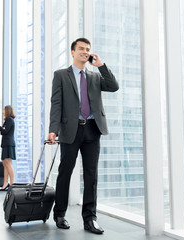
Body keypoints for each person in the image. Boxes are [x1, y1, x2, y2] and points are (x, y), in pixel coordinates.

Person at [47, 38, 119, 234]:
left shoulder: (95, 77)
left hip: (93, 129)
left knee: (91, 175)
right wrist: (53, 129)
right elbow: (56, 104)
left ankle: (90, 218)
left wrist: (101, 65)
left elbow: (114, 86)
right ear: (72, 52)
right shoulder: (61, 75)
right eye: (81, 49)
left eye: (87, 49)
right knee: (65, 173)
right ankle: (59, 214)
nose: (84, 52)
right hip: (71, 130)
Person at [0, 105, 16, 191]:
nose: (3, 111)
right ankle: (5, 183)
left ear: (7, 111)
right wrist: (1, 128)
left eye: (4, 110)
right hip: (7, 143)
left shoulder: (9, 120)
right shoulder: (7, 120)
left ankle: (12, 184)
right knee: (5, 164)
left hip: (8, 144)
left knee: (7, 164)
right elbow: (3, 131)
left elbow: (4, 131)